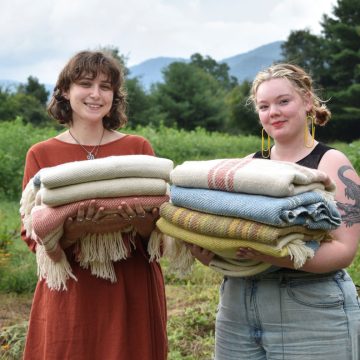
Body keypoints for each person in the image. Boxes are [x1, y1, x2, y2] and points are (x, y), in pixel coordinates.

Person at [189, 63, 360, 359]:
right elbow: (229, 227)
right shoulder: (247, 166)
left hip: (310, 306)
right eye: (264, 106)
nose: (273, 112)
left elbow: (344, 251)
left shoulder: (332, 163)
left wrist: (269, 254)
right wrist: (213, 253)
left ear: (307, 101)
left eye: (283, 101)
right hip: (238, 306)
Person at [21, 50, 168, 359]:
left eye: (105, 86)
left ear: (114, 96)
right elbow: (34, 234)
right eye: (85, 84)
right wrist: (74, 232)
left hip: (131, 286)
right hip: (71, 289)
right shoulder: (41, 154)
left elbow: (163, 224)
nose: (95, 94)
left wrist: (142, 223)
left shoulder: (137, 147)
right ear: (64, 91)